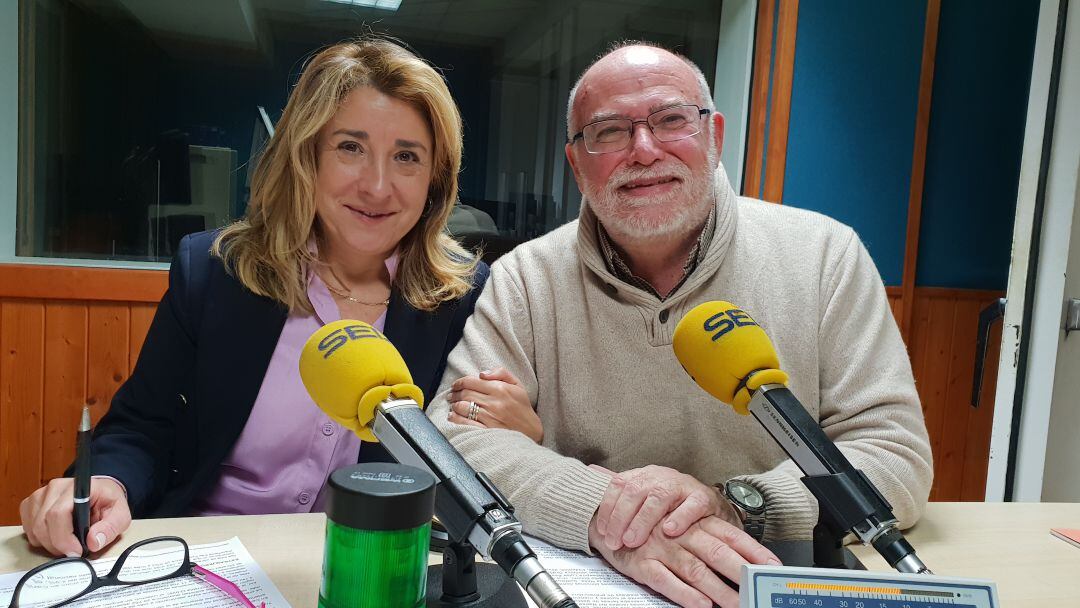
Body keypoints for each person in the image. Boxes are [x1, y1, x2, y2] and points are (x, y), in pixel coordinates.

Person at [428, 42, 933, 608]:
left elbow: (893, 455)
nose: (643, 150)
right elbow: (454, 441)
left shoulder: (824, 257)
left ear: (714, 136)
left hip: (777, 575)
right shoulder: (527, 276)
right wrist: (601, 512)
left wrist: (738, 504)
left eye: (671, 120)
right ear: (576, 162)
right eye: (609, 131)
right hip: (588, 582)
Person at [18, 38, 531, 558]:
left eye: (406, 157)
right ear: (306, 156)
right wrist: (110, 481)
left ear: (434, 179)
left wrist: (519, 436)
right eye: (350, 147)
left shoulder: (463, 298)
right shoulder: (215, 272)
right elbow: (143, 425)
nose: (378, 186)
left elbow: (460, 463)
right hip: (201, 556)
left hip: (361, 569)